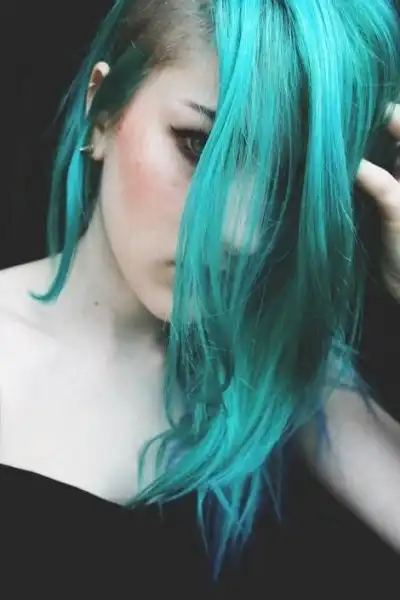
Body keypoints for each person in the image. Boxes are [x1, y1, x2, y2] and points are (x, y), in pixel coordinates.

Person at [1, 0, 400, 594]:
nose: (242, 232)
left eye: (287, 183)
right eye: (197, 145)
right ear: (101, 112)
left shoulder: (282, 375)